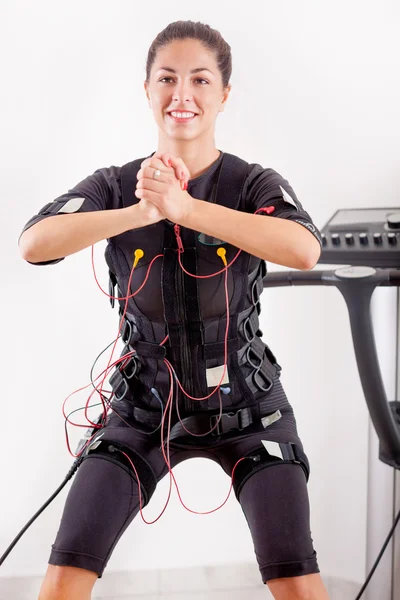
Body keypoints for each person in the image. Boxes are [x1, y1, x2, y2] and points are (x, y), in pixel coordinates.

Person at [19, 20, 330, 600]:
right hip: (142, 411)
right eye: (166, 79)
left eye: (199, 80)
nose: (181, 95)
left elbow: (303, 249)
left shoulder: (253, 183)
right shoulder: (116, 185)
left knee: (296, 580)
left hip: (249, 411)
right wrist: (142, 212)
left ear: (223, 94)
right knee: (64, 578)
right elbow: (35, 243)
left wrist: (185, 209)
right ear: (146, 89)